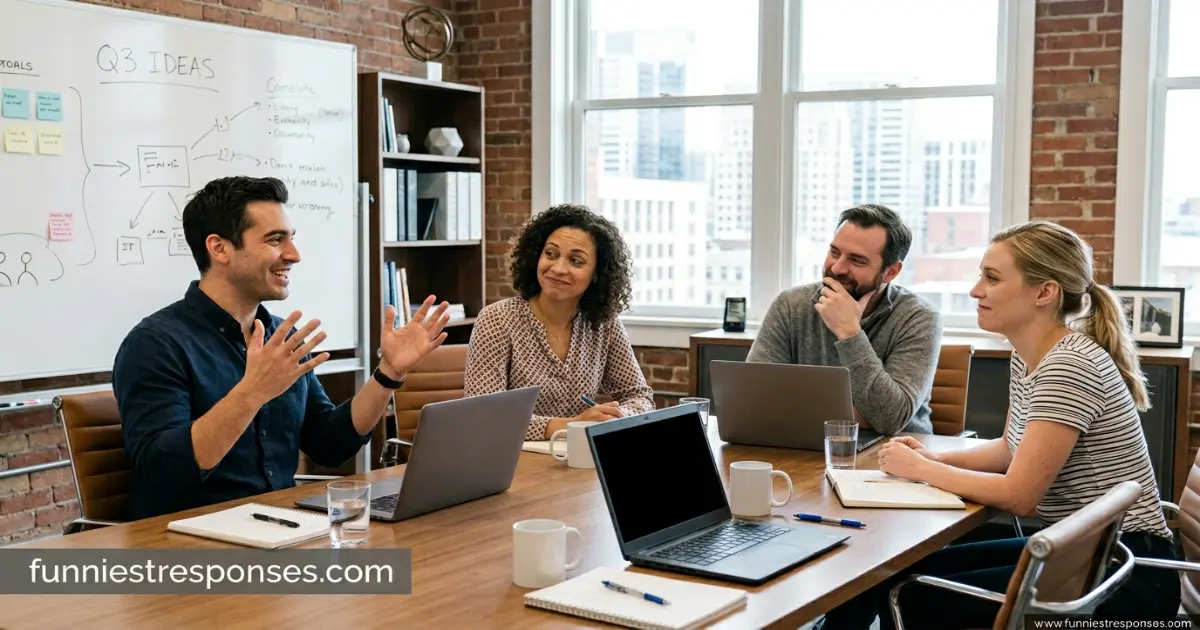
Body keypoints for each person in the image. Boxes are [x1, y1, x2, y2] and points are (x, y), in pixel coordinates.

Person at [818, 221, 1180, 630]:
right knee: (888, 570)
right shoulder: (1030, 355)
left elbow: (1020, 495)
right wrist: (933, 456)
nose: (976, 291)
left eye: (991, 278)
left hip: (1125, 577)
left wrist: (924, 471)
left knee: (910, 594)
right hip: (1080, 551)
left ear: (1045, 293)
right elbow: (1009, 450)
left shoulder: (1067, 365)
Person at [113, 176, 451, 520]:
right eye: (275, 240)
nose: (294, 255)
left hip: (281, 522)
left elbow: (329, 444)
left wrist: (388, 374)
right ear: (219, 248)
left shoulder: (280, 335)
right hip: (191, 541)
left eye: (291, 239)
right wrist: (251, 392)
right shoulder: (154, 344)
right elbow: (162, 472)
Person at [464, 203, 655, 440]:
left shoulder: (604, 323)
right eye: (551, 254)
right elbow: (483, 415)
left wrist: (615, 416)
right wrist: (571, 425)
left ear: (597, 273)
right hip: (512, 461)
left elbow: (639, 396)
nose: (558, 268)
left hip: (576, 459)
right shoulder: (498, 319)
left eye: (576, 261)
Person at [746, 204, 941, 435]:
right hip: (802, 444)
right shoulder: (791, 305)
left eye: (857, 260)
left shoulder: (919, 318)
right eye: (834, 252)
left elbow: (890, 419)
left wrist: (849, 332)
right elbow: (754, 399)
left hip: (894, 456)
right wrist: (856, 415)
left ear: (891, 272)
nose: (837, 268)